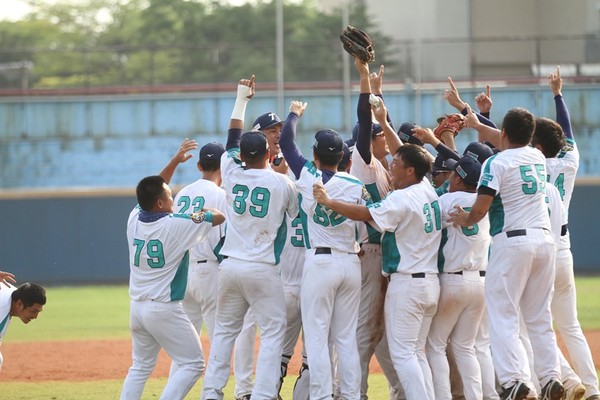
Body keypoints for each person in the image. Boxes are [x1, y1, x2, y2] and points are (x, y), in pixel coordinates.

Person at [451, 108, 564, 400]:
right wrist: (479, 122)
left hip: (512, 241)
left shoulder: (495, 162)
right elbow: (510, 144)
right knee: (539, 316)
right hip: (544, 241)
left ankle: (515, 381)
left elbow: (480, 208)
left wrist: (466, 218)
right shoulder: (537, 157)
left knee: (503, 314)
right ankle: (551, 377)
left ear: (503, 133)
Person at [313, 143, 441, 400]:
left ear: (410, 171)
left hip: (407, 283)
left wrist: (329, 201)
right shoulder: (427, 189)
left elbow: (365, 213)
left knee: (404, 354)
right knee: (416, 353)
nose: (391, 166)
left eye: (397, 163)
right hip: (430, 282)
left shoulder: (403, 197)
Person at [201, 75, 299, 400]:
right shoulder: (282, 184)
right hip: (262, 267)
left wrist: (242, 98)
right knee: (272, 334)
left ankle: (212, 393)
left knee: (224, 334)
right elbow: (295, 215)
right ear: (269, 154)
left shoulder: (230, 171)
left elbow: (231, 138)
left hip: (229, 267)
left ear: (241, 155)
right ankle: (262, 395)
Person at [120, 138, 225, 400]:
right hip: (163, 307)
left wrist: (175, 162)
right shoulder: (174, 225)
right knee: (193, 364)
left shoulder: (134, 218)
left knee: (141, 366)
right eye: (169, 198)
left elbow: (151, 188)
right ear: (159, 204)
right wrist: (198, 214)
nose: (173, 201)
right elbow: (218, 217)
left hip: (137, 307)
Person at [279, 96, 367, 400]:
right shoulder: (354, 184)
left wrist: (294, 114)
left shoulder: (308, 175)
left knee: (316, 338)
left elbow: (286, 142)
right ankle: (352, 395)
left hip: (320, 263)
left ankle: (321, 396)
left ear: (315, 154)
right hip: (350, 262)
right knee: (345, 339)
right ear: (343, 155)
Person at [534, 67, 599, 400]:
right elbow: (568, 134)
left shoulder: (531, 164)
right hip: (564, 250)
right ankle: (592, 388)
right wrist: (559, 94)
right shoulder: (571, 161)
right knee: (571, 326)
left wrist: (477, 118)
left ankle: (567, 380)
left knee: (533, 324)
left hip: (540, 251)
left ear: (537, 145)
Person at [350, 59, 405, 400]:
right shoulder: (364, 164)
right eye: (378, 134)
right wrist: (363, 82)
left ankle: (400, 391)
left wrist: (379, 93)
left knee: (385, 332)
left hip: (384, 258)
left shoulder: (385, 166)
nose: (384, 136)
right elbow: (364, 121)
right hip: (370, 256)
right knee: (365, 330)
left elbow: (388, 129)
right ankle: (353, 393)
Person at [424, 156, 490, 400]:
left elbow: (424, 221)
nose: (449, 178)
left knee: (435, 345)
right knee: (465, 347)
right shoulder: (485, 202)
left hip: (453, 279)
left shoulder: (447, 200)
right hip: (480, 281)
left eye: (453, 175)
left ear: (459, 178)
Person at [168, 141, 227, 378]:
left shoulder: (182, 193)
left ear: (199, 165)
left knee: (184, 350)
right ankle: (212, 393)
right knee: (218, 341)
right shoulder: (221, 194)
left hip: (184, 271)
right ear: (223, 164)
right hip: (209, 270)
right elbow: (225, 240)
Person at [0, 281, 46, 372]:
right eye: (34, 311)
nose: (35, 317)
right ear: (19, 304)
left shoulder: (14, 295)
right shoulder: (2, 309)